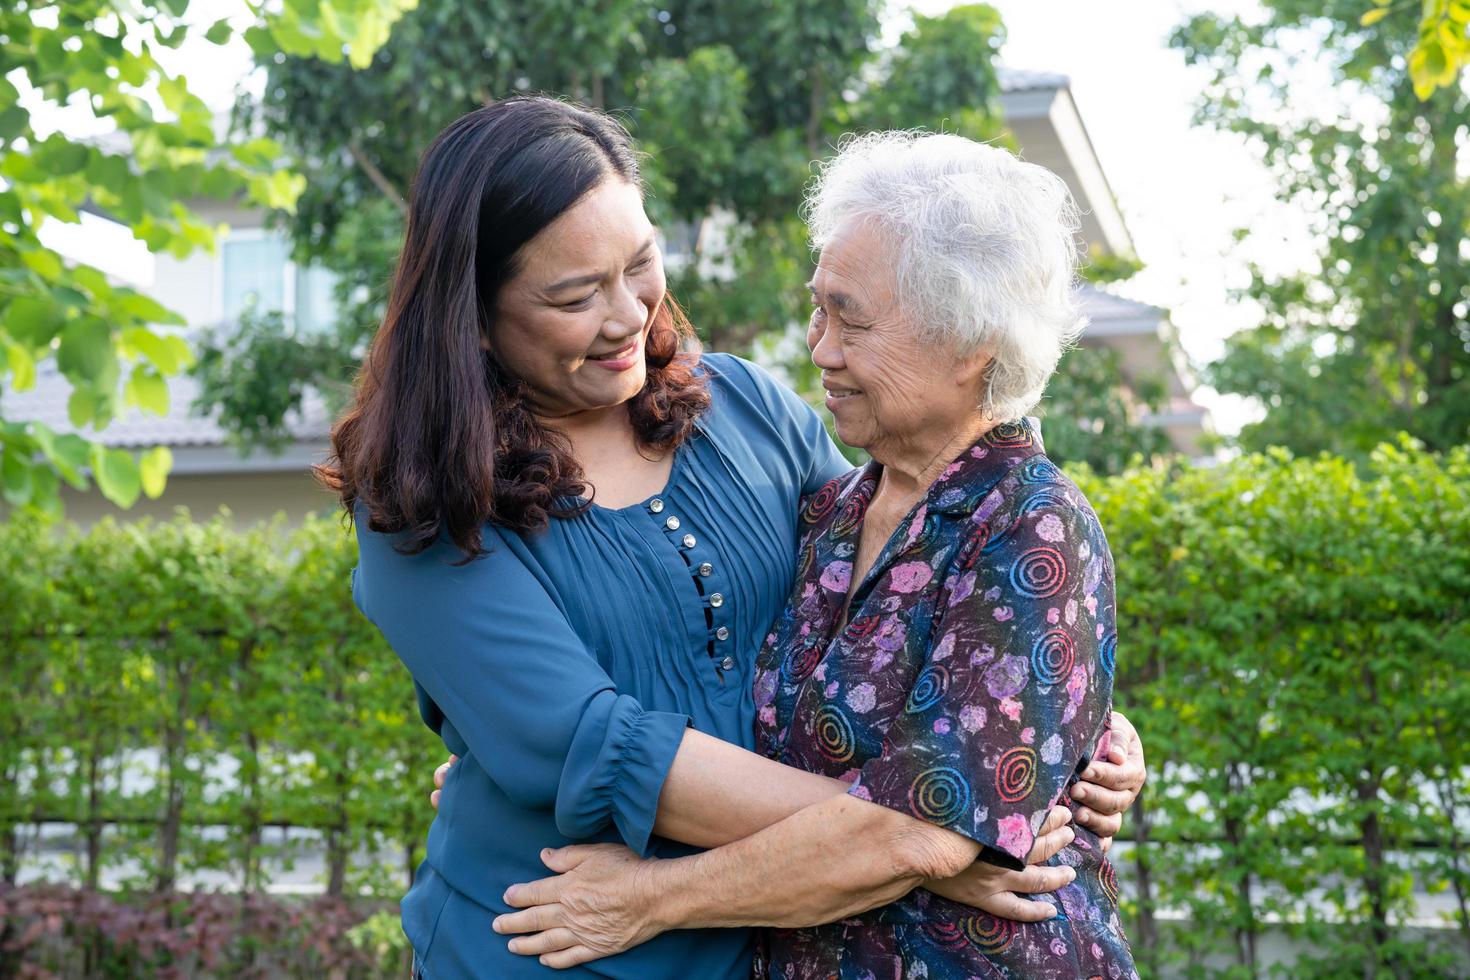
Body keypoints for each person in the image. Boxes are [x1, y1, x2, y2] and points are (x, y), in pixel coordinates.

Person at [326, 96, 1143, 980]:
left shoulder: (743, 407)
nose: (627, 314)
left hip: (778, 938)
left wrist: (1064, 728)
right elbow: (595, 744)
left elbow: (907, 598)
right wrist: (928, 835)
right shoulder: (424, 504)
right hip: (558, 935)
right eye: (572, 296)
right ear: (474, 318)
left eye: (640, 263)